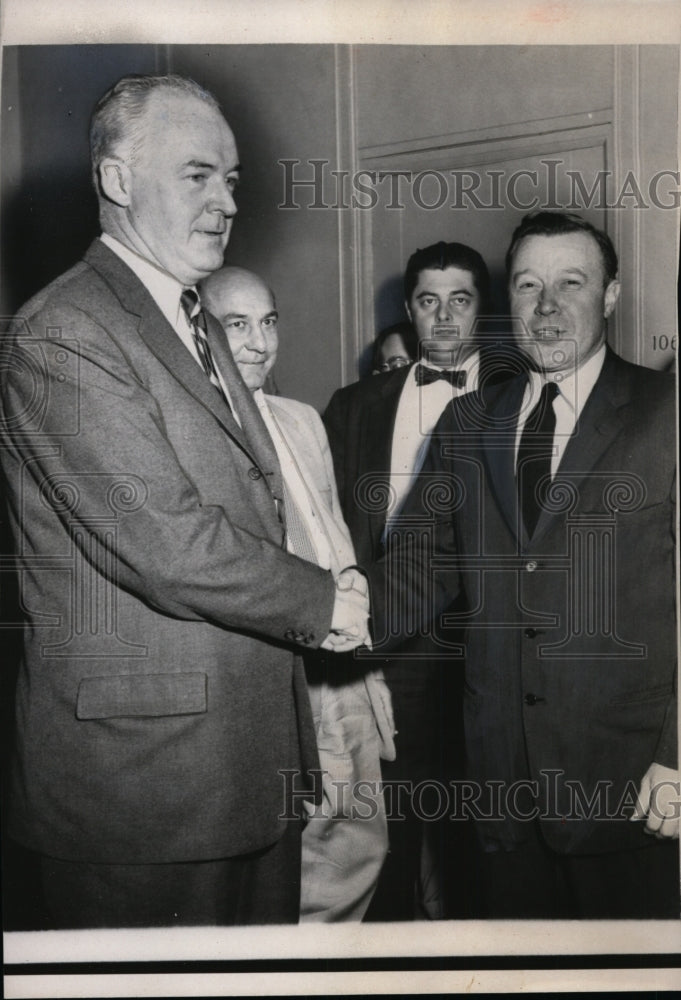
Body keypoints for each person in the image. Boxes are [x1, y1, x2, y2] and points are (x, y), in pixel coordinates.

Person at [0, 73, 369, 929]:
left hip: (248, 774)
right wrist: (330, 601)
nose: (225, 201)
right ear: (117, 181)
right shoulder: (63, 334)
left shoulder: (193, 319)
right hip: (144, 794)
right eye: (196, 175)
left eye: (231, 179)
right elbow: (168, 542)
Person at [374, 211, 679, 918]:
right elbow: (419, 567)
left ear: (609, 295)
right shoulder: (466, 421)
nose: (546, 307)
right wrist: (319, 611)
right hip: (500, 790)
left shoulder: (666, 414)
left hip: (634, 784)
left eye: (570, 283)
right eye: (527, 285)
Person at [200, 264, 396, 921]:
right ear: (199, 332)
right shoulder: (198, 430)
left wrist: (371, 678)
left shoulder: (302, 419)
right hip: (277, 683)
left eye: (268, 321)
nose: (259, 341)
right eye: (236, 325)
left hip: (345, 672)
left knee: (362, 846)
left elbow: (334, 536)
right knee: (300, 872)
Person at [323, 241, 496, 919]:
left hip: (486, 651)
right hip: (387, 656)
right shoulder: (353, 405)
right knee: (387, 835)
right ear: (408, 310)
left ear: (483, 309)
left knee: (481, 842)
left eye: (460, 300)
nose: (445, 318)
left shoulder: (521, 401)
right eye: (429, 302)